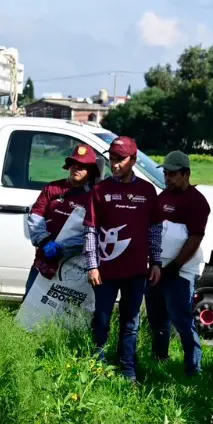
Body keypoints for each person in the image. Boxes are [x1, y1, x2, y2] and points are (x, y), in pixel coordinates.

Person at [83, 136, 157, 380]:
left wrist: (155, 262)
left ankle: (127, 367)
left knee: (130, 322)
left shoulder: (147, 191)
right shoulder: (100, 190)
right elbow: (91, 230)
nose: (114, 164)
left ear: (133, 160)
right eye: (112, 159)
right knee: (102, 320)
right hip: (106, 271)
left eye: (120, 159)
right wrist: (92, 265)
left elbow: (155, 230)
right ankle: (97, 365)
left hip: (136, 271)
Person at [147, 150, 211, 376]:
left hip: (180, 271)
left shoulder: (197, 202)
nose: (168, 178)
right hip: (157, 268)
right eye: (165, 173)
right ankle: (160, 360)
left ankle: (193, 368)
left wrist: (175, 266)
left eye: (173, 174)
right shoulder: (163, 196)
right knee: (157, 318)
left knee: (182, 320)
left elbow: (195, 238)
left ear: (186, 174)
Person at [24, 143, 100, 293]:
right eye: (74, 164)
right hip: (44, 260)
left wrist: (64, 247)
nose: (76, 168)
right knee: (29, 306)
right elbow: (35, 216)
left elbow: (93, 233)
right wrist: (45, 242)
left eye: (82, 166)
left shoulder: (95, 197)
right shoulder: (52, 189)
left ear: (90, 171)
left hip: (75, 263)